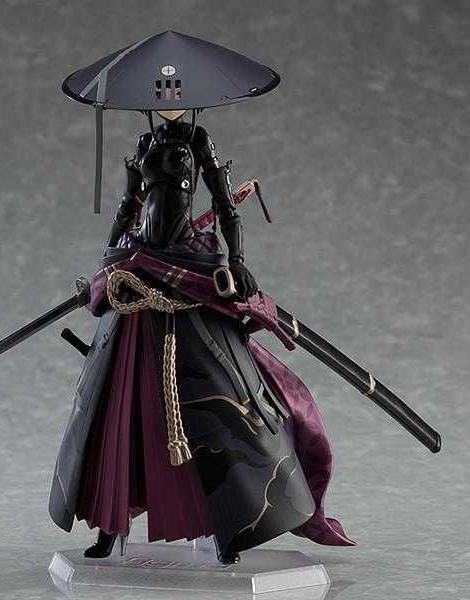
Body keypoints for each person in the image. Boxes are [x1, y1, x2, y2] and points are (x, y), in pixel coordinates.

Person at [48, 109, 354, 563]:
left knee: (218, 405)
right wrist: (107, 262)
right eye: (160, 90)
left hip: (188, 275)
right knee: (117, 410)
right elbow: (129, 207)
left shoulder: (199, 141)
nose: (168, 98)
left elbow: (226, 206)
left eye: (175, 90)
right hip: (138, 269)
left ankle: (229, 528)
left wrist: (238, 260)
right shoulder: (145, 144)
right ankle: (111, 525)